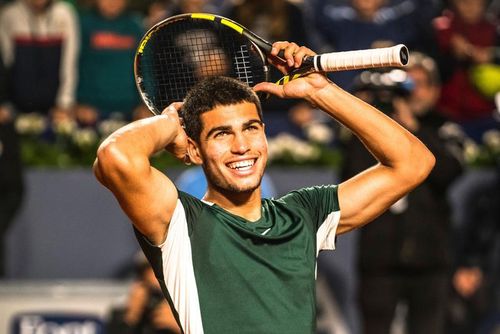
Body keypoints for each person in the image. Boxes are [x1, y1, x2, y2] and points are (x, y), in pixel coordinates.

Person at [93, 42, 435, 333]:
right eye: (221, 134)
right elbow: (115, 157)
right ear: (195, 150)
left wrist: (322, 92)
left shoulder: (304, 214)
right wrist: (171, 123)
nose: (242, 146)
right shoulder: (179, 221)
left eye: (251, 128)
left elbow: (413, 163)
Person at [343, 53, 463, 334]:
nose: (411, 91)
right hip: (379, 258)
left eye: (419, 84)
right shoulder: (372, 130)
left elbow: (450, 172)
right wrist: (367, 118)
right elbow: (348, 175)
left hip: (430, 258)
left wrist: (413, 127)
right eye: (405, 83)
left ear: (435, 90)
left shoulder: (442, 127)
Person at [0, 0, 79, 121]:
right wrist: (6, 104)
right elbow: (6, 63)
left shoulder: (64, 13)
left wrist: (64, 102)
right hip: (17, 107)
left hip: (55, 107)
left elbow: (69, 63)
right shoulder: (9, 15)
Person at [76, 0, 145, 125]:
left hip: (131, 111)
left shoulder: (136, 26)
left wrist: (144, 104)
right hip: (92, 112)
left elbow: (144, 67)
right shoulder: (84, 25)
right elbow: (77, 65)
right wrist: (80, 102)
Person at [107, 252, 181, 334]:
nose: (156, 300)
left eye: (163, 291)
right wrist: (131, 318)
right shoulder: (121, 314)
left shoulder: (189, 312)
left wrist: (181, 327)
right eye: (152, 291)